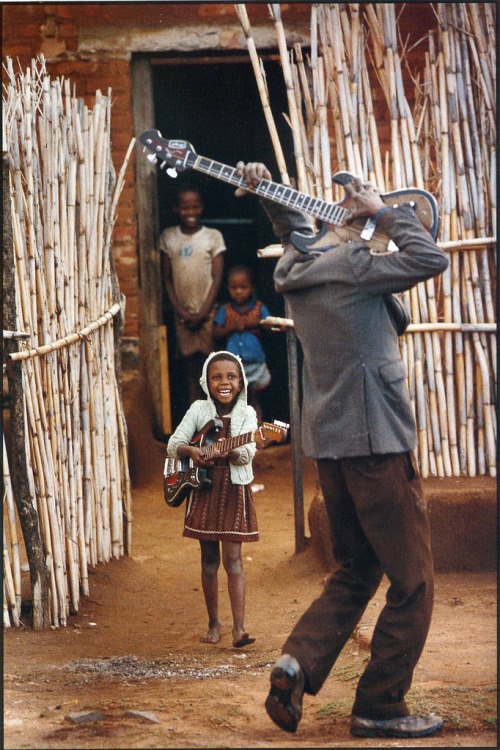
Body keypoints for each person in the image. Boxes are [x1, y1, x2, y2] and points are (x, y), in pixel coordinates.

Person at [235, 162, 449, 739]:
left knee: (357, 566)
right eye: (348, 221)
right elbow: (433, 257)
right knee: (414, 581)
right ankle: (380, 704)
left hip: (331, 446)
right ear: (338, 229)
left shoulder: (297, 268)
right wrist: (380, 210)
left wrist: (264, 188)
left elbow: (294, 230)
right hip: (377, 444)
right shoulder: (355, 268)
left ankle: (296, 664)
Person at [167, 350, 258, 648]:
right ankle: (214, 624)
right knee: (208, 560)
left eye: (231, 377)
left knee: (234, 560)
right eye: (217, 377)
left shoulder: (248, 415)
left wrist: (229, 451)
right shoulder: (198, 410)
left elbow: (247, 455)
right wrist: (192, 452)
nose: (224, 382)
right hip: (202, 489)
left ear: (241, 381)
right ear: (207, 381)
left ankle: (239, 629)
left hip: (233, 490)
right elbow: (174, 444)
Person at [160, 181, 225, 405]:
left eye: (195, 207)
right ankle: (197, 425)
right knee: (190, 371)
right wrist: (182, 312)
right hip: (183, 316)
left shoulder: (213, 236)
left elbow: (217, 278)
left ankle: (217, 424)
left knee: (212, 370)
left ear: (202, 207)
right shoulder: (169, 236)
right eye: (185, 208)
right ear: (175, 209)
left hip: (208, 314)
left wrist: (203, 313)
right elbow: (166, 279)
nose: (191, 212)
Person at [213, 264, 272, 422]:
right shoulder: (225, 309)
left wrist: (257, 322)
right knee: (233, 400)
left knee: (254, 399)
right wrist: (232, 327)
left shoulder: (259, 308)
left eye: (243, 287)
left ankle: (256, 432)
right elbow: (216, 333)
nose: (238, 291)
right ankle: (235, 436)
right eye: (234, 287)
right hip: (233, 366)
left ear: (252, 288)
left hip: (254, 363)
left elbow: (270, 327)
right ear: (228, 288)